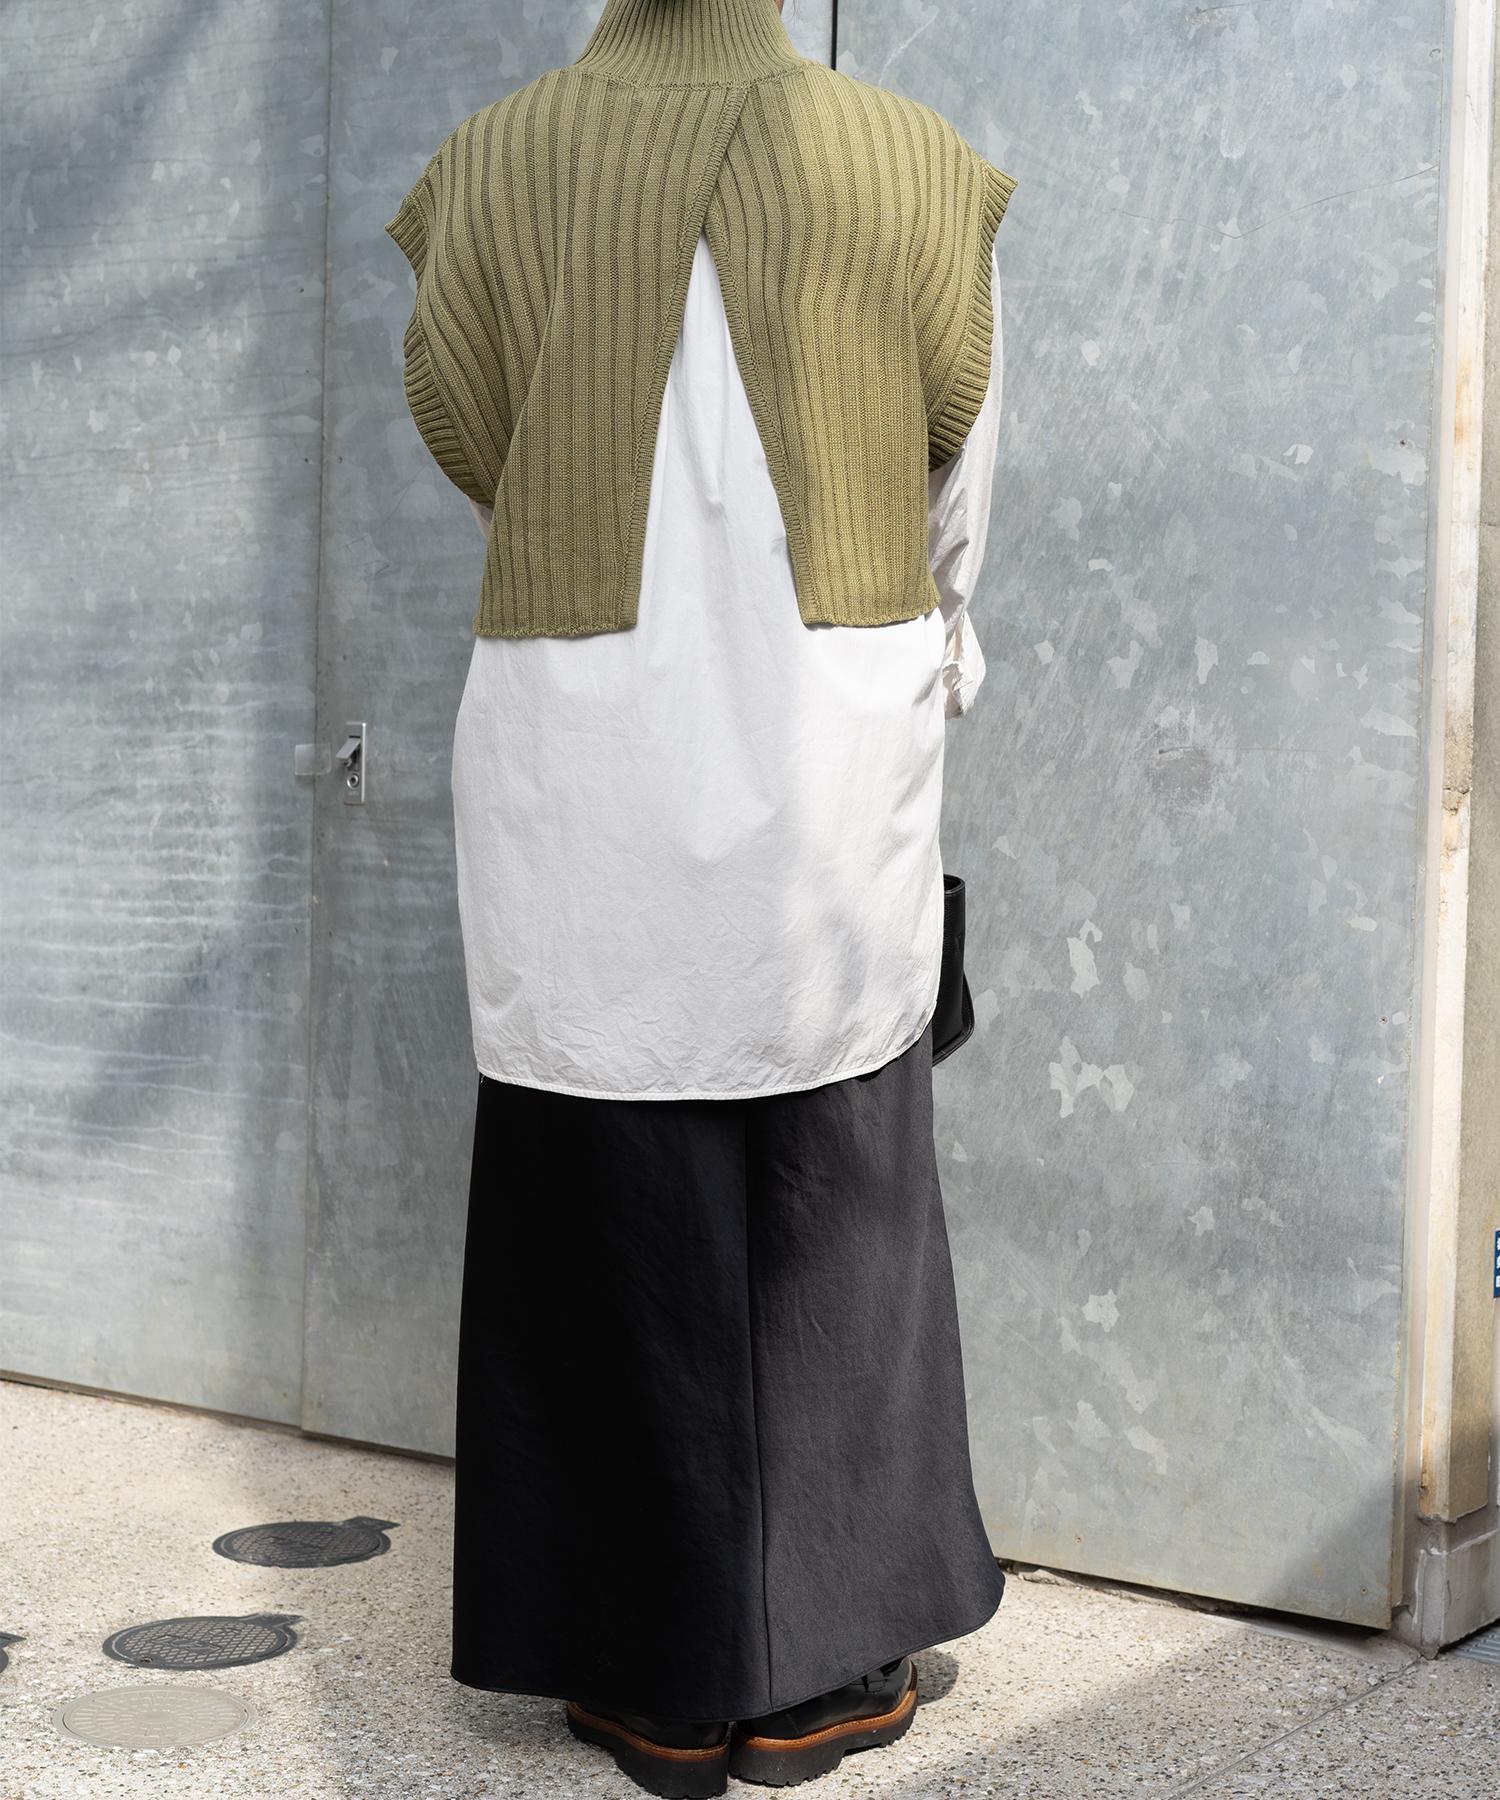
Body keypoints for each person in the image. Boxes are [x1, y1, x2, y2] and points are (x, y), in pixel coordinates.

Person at [384, 1, 1017, 1793]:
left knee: (606, 1187)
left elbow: (473, 437)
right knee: (837, 1185)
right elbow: (957, 474)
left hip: (582, 739)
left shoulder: (492, 164)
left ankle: (650, 1679)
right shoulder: (911, 163)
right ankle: (826, 1674)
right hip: (828, 733)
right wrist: (919, 637)